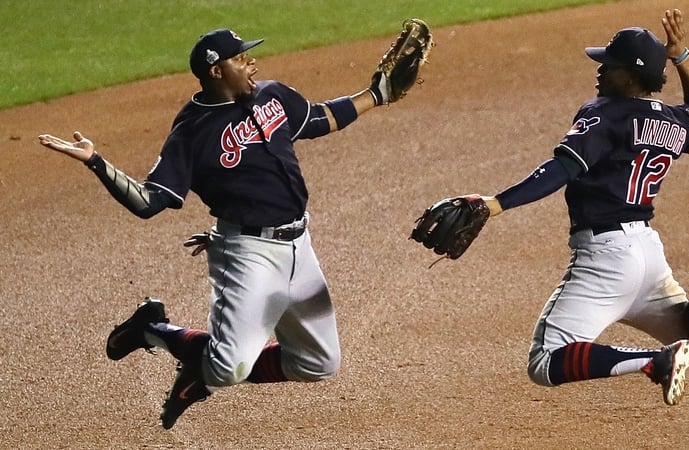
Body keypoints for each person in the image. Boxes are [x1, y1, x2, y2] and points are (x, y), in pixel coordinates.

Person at [38, 28, 415, 429]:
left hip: (300, 247)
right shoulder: (193, 131)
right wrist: (96, 161)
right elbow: (149, 202)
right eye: (241, 58)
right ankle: (152, 327)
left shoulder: (272, 94)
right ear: (217, 70)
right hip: (248, 253)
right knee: (226, 369)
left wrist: (377, 95)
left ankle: (200, 363)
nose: (252, 62)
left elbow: (320, 118)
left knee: (320, 362)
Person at [462, 9, 689, 405]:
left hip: (606, 259)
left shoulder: (604, 114)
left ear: (632, 76)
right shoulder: (674, 122)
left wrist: (496, 203)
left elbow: (562, 169)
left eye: (612, 65)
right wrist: (681, 55)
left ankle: (654, 362)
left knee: (545, 361)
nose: (601, 71)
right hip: (648, 255)